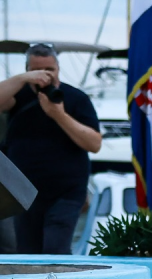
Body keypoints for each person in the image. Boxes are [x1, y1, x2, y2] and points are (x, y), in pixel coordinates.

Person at [0, 44, 101, 254]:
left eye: (50, 70)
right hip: (25, 194)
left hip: (66, 192)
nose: (44, 76)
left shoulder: (76, 99)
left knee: (55, 249)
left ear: (58, 69)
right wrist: (23, 79)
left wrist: (58, 114)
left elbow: (94, 144)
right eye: (37, 70)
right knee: (27, 253)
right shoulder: (18, 96)